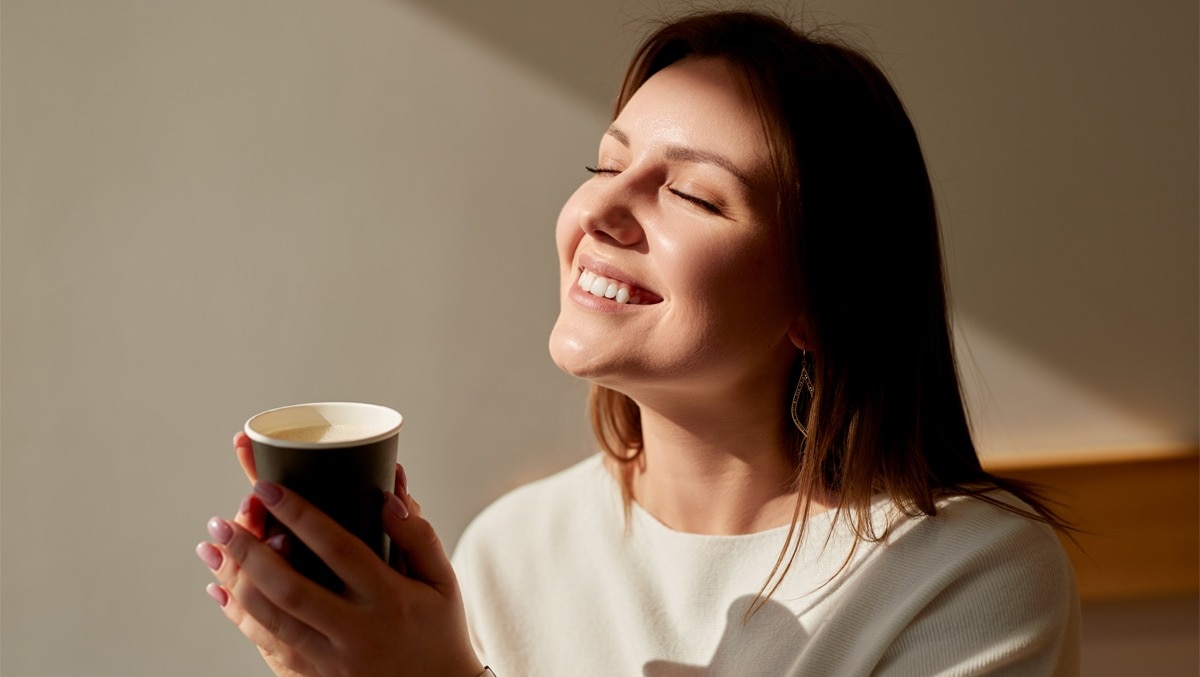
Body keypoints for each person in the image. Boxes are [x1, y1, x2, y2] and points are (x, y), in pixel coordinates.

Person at [196, 9, 1081, 676]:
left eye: (692, 196)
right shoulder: (516, 550)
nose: (603, 212)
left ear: (818, 299)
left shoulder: (970, 576)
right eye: (607, 166)